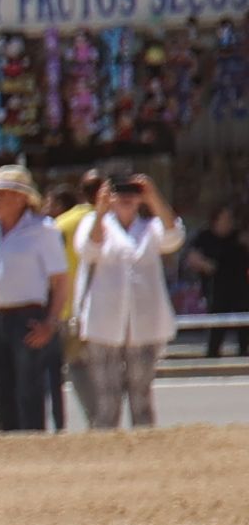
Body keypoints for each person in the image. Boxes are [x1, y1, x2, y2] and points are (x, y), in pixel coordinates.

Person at [70, 168, 180, 429]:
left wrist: (153, 198)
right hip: (104, 322)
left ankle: (144, 453)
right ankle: (106, 454)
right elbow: (88, 249)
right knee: (107, 399)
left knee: (141, 396)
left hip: (143, 323)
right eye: (121, 193)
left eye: (133, 193)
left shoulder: (150, 228)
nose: (126, 198)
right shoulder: (95, 224)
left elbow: (173, 238)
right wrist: (100, 210)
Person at [0, 160, 67, 433]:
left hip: (27, 316)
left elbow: (60, 281)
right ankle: (9, 447)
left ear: (20, 197)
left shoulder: (43, 230)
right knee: (0, 391)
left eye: (1, 192)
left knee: (29, 390)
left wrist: (50, 322)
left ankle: (32, 445)